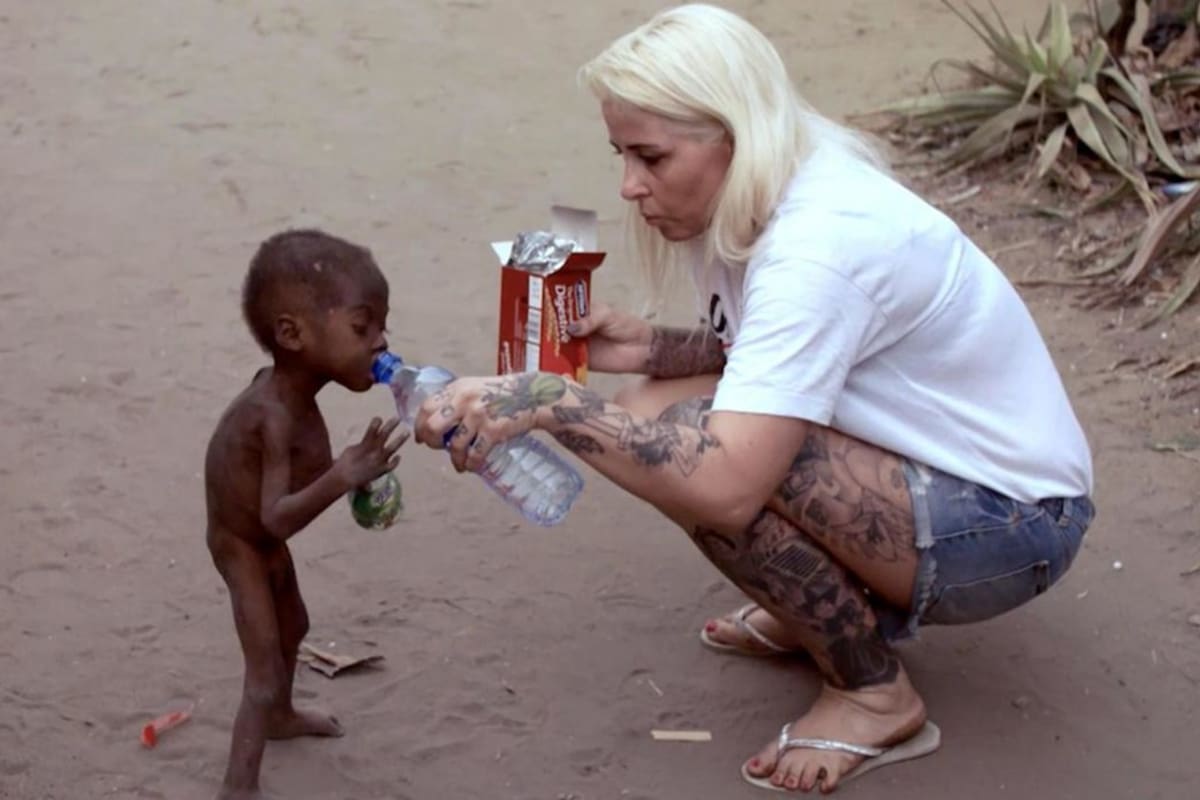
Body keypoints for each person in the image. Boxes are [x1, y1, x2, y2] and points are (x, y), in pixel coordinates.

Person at [413, 3, 1094, 794]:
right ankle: (826, 603)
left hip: (1016, 522)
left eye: (650, 157)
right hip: (940, 469)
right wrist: (648, 346)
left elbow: (729, 485)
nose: (629, 186)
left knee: (688, 442)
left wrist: (548, 401)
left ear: (734, 135)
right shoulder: (769, 181)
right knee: (651, 401)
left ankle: (873, 692)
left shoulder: (820, 246)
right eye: (621, 154)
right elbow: (785, 354)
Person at [205, 229, 405, 799]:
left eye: (383, 326)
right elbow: (274, 520)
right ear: (292, 333)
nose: (381, 343)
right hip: (243, 542)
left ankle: (282, 718)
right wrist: (342, 476)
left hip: (263, 533)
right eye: (363, 328)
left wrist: (356, 480)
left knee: (296, 627)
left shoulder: (295, 397)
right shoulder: (272, 416)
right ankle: (237, 787)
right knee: (263, 672)